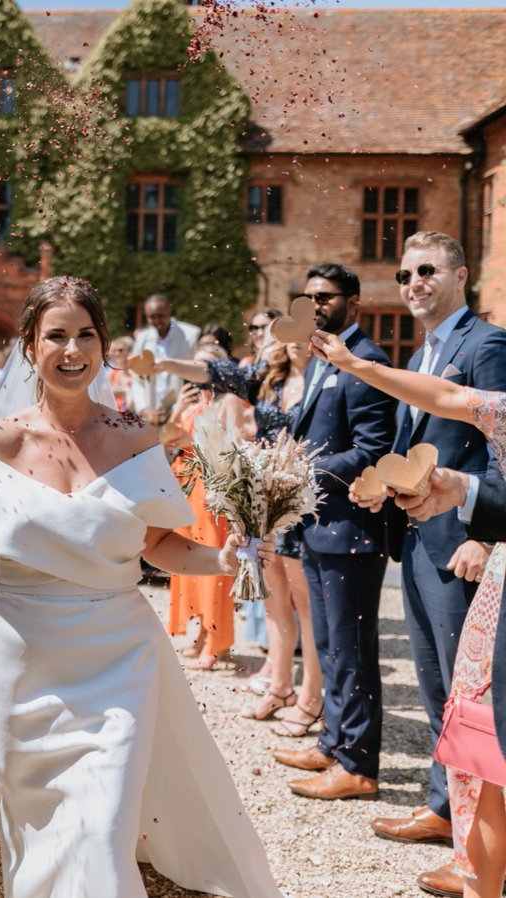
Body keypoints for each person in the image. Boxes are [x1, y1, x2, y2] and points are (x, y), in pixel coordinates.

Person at [0, 276, 281, 898]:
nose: (71, 350)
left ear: (104, 343)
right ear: (30, 346)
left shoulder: (135, 438)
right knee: (38, 817)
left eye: (84, 334)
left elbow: (159, 546)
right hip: (21, 655)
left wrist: (223, 560)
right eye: (55, 335)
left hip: (120, 656)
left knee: (102, 818)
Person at [312, 330, 506, 898]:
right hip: (499, 603)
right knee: (481, 746)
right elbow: (440, 395)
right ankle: (478, 879)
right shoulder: (500, 409)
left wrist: (464, 491)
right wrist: (353, 363)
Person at [360, 232, 506, 892]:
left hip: (467, 542)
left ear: (462, 276)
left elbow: (497, 446)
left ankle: (478, 850)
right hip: (420, 536)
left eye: (426, 271)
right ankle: (445, 809)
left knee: (470, 698)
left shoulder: (486, 345)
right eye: (403, 273)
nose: (412, 281)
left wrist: (489, 533)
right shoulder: (424, 350)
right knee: (435, 685)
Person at [269, 263, 396, 801]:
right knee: (329, 646)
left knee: (352, 649)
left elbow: (373, 449)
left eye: (325, 296)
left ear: (354, 304)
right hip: (321, 528)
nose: (314, 303)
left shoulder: (366, 360)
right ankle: (333, 741)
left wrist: (301, 468)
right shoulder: (323, 357)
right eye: (307, 295)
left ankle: (358, 765)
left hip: (352, 531)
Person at [153, 339, 323, 734]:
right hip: (264, 497)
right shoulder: (269, 382)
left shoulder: (321, 377)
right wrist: (164, 365)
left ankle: (311, 696)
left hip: (298, 495)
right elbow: (215, 379)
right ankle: (280, 686)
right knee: (274, 602)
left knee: (306, 606)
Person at [163, 344, 245, 671]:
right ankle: (200, 634)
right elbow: (169, 438)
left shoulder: (229, 401)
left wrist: (224, 489)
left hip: (210, 486)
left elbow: (235, 446)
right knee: (188, 565)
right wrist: (176, 411)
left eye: (206, 363)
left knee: (214, 568)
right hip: (185, 482)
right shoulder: (191, 400)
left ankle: (217, 641)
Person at [128, 293, 201, 424]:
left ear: (169, 310)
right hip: (152, 414)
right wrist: (144, 409)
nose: (157, 321)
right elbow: (136, 378)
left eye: (160, 315)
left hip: (184, 412)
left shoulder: (191, 335)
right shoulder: (142, 338)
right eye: (152, 317)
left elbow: (200, 371)